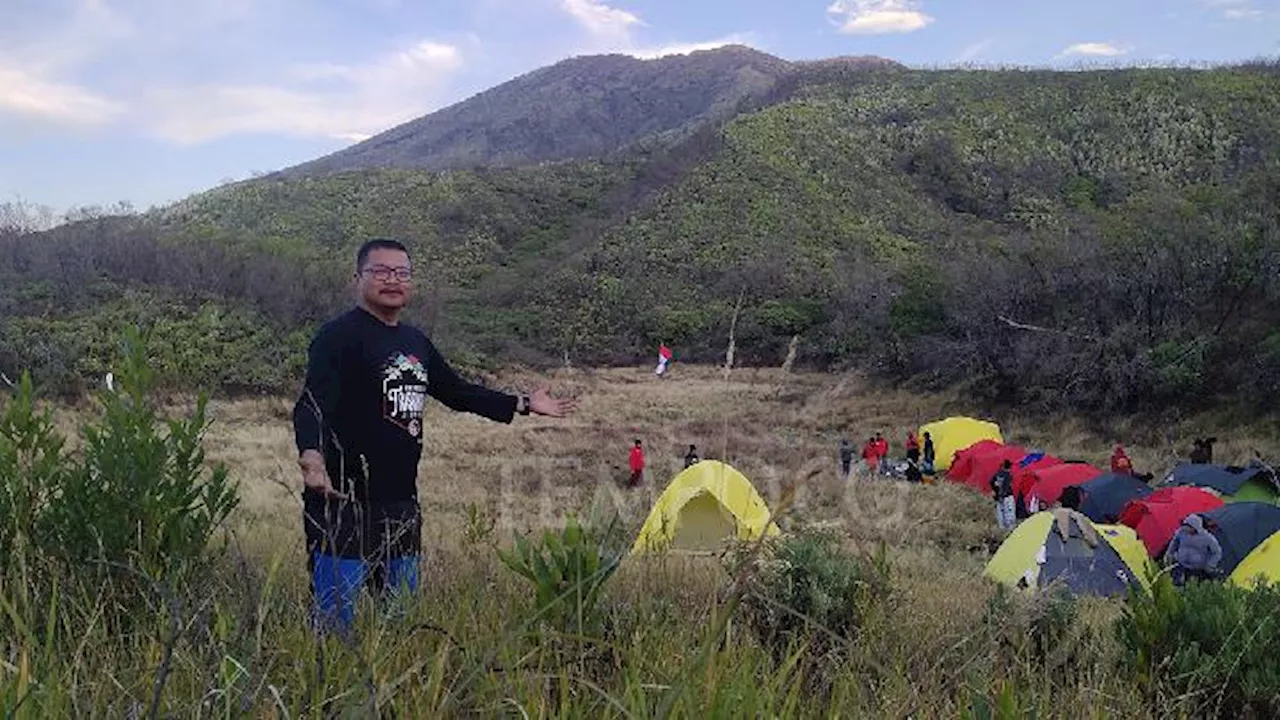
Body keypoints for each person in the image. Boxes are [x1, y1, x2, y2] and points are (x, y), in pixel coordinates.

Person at [293, 239, 578, 634]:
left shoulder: (415, 342)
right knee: (334, 622)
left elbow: (458, 393)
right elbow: (311, 403)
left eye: (402, 273)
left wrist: (524, 402)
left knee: (402, 620)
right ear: (357, 278)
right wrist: (312, 458)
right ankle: (329, 692)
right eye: (381, 271)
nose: (393, 280)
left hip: (402, 503)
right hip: (343, 502)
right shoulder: (336, 337)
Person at [1164, 514, 1223, 586]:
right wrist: (1169, 553)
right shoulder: (1181, 532)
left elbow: (1217, 552)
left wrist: (1210, 564)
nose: (1186, 528)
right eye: (1186, 526)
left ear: (1195, 527)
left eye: (1189, 527)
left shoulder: (1207, 538)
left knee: (1192, 587)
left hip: (1197, 568)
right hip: (1180, 564)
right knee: (1176, 585)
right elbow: (1174, 543)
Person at [990, 460, 1016, 530]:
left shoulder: (997, 474)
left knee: (1000, 515)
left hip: (998, 497)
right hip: (1007, 497)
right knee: (1009, 515)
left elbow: (991, 482)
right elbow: (1006, 487)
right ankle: (1010, 530)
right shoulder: (1008, 476)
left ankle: (1001, 529)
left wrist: (995, 491)